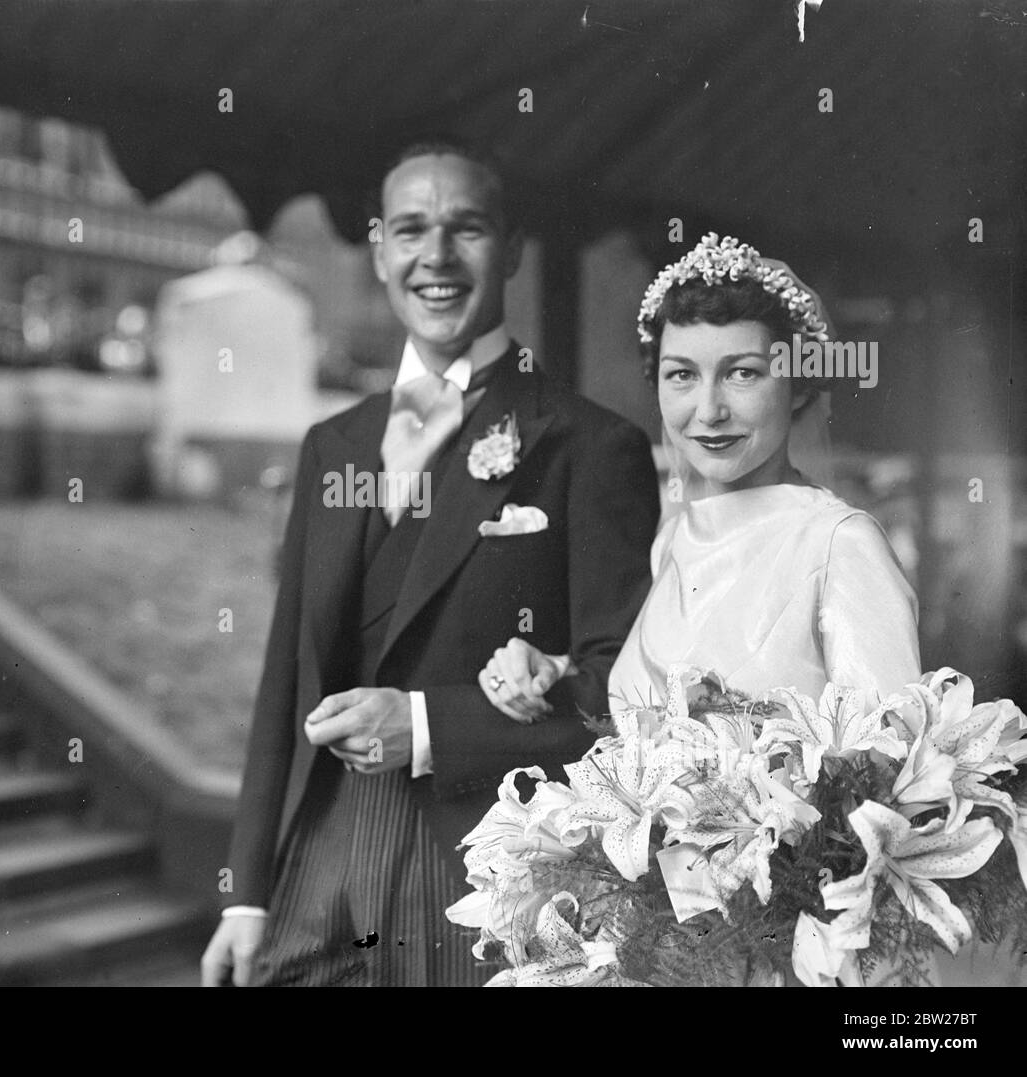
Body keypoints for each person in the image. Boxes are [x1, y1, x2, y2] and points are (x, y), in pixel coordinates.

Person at [200, 139, 660, 987]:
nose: (436, 257)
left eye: (467, 228)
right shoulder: (330, 443)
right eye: (410, 229)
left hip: (480, 881)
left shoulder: (591, 446)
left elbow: (620, 700)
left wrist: (423, 725)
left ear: (513, 248)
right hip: (317, 860)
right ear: (378, 250)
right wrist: (246, 893)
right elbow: (285, 679)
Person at [480, 233, 921, 723]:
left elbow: (883, 763)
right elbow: (648, 713)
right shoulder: (671, 540)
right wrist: (551, 672)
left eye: (743, 373)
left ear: (798, 388)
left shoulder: (840, 544)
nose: (709, 412)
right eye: (682, 375)